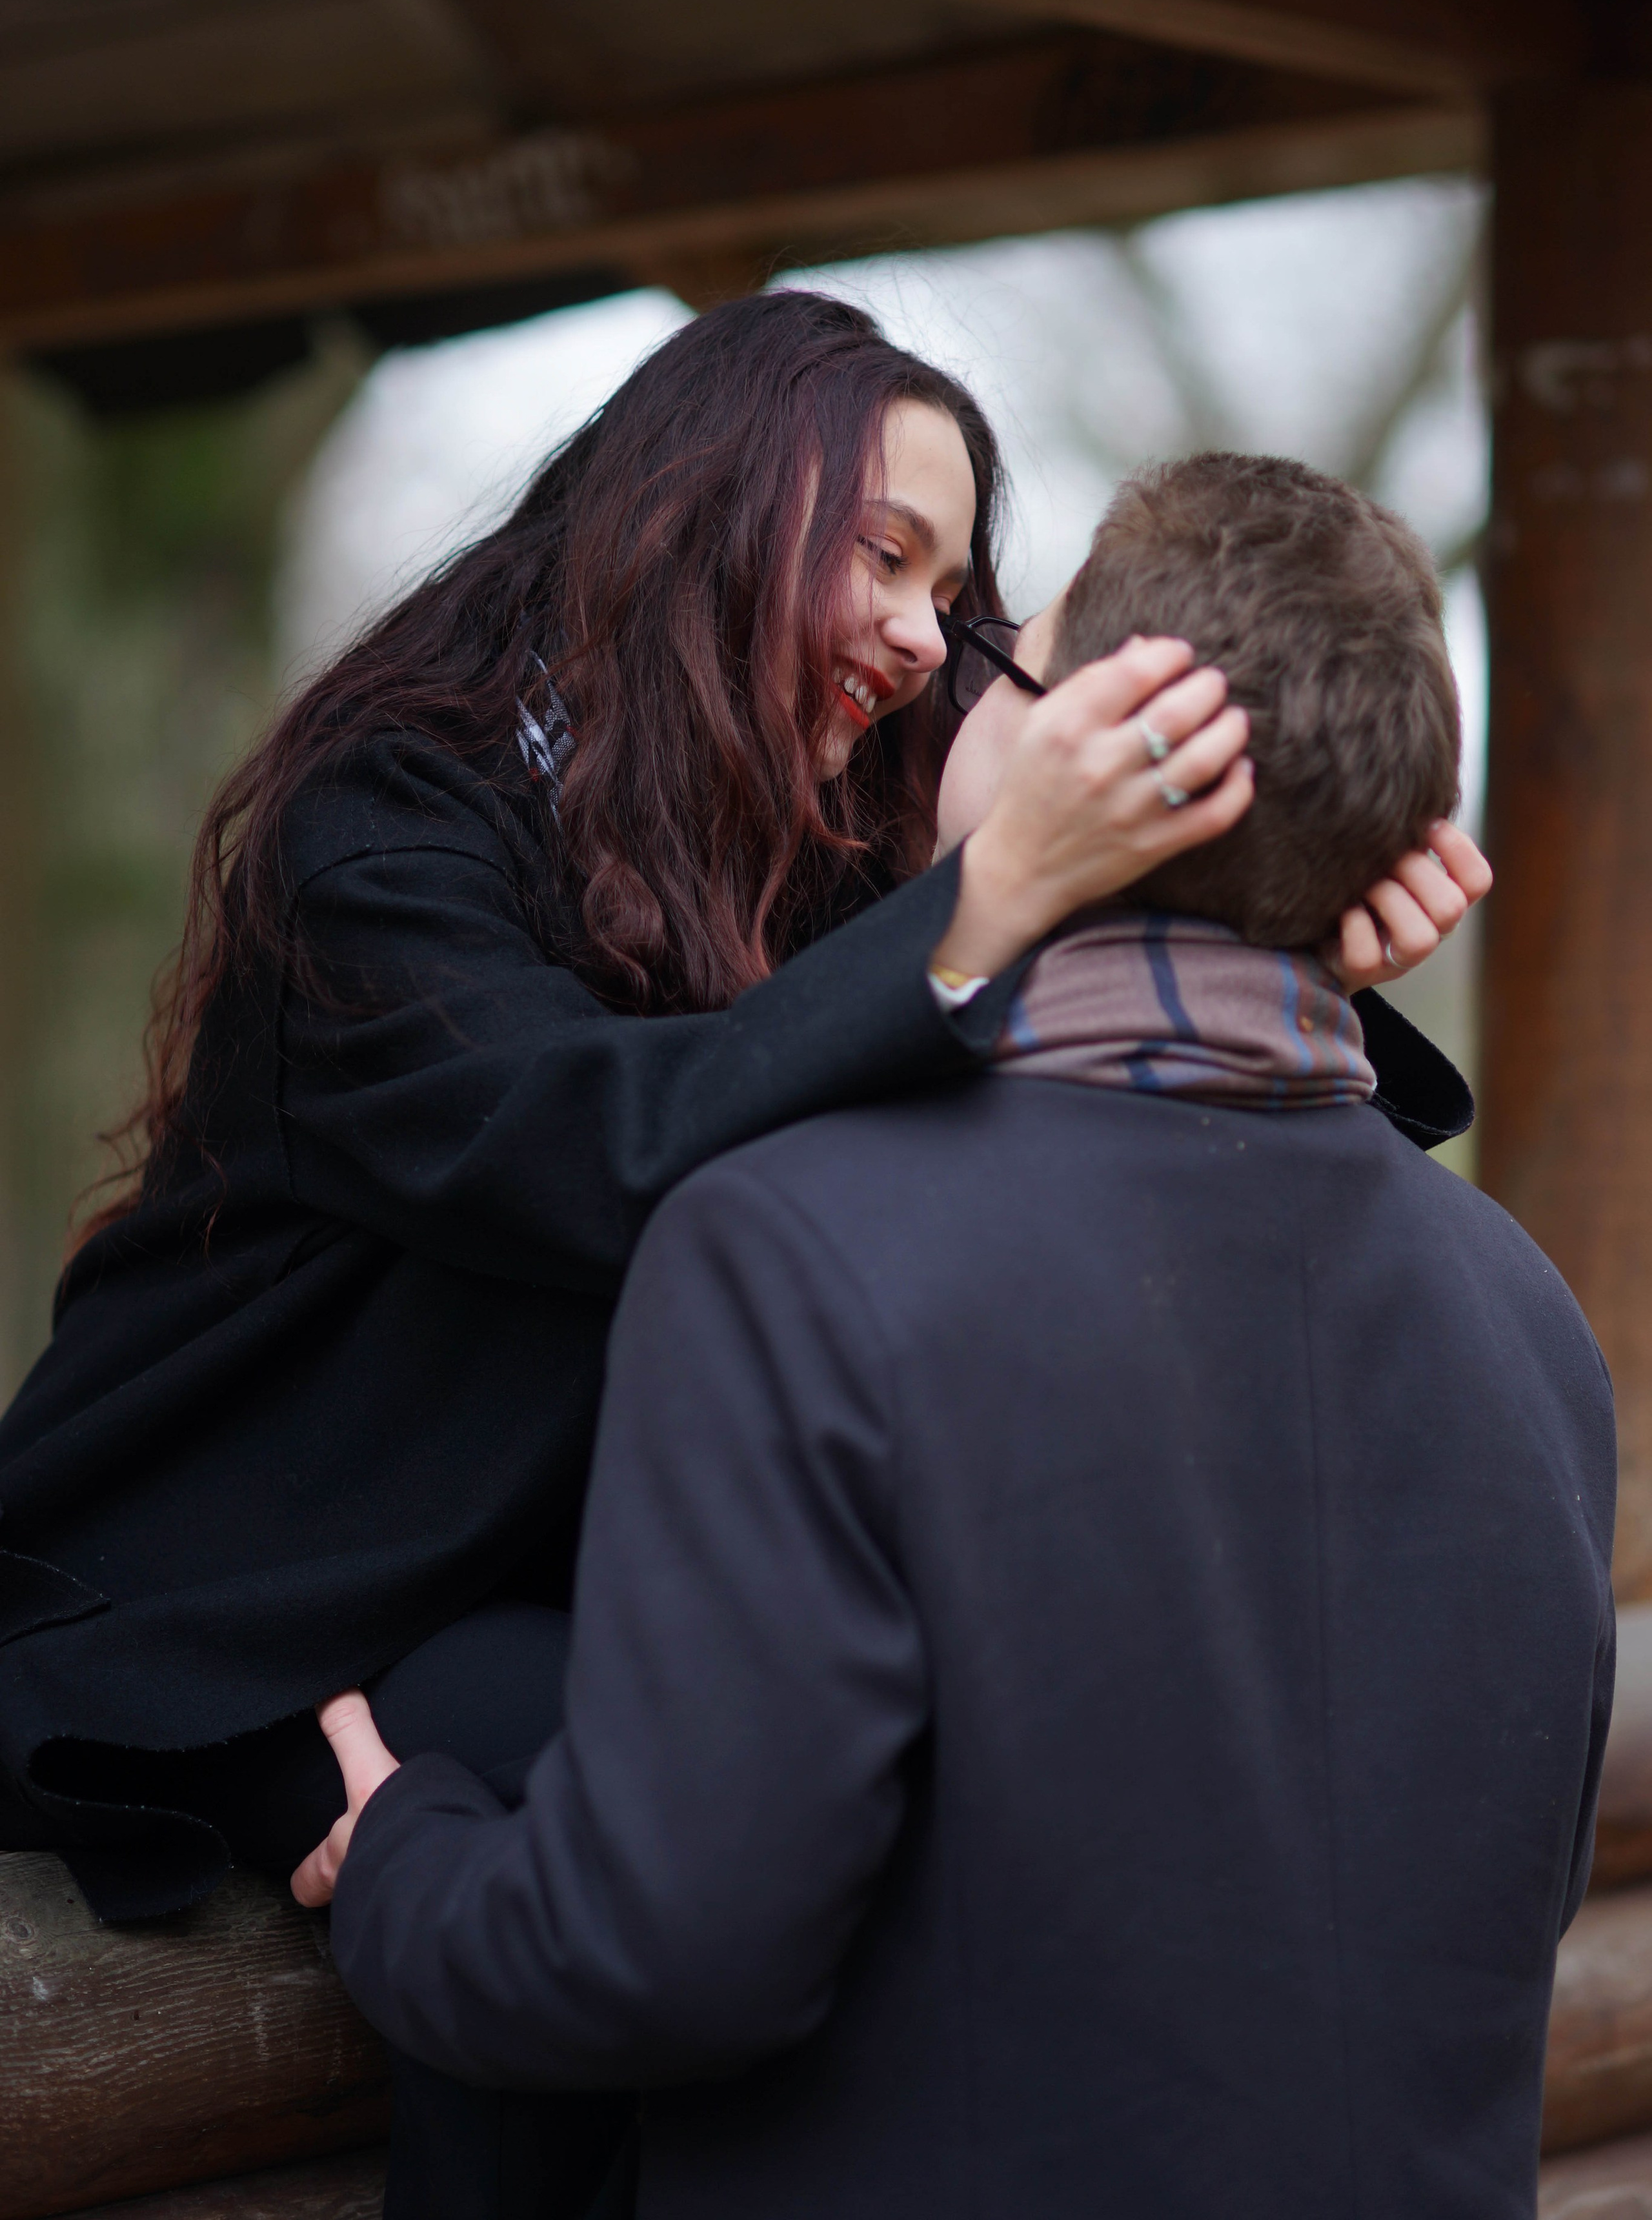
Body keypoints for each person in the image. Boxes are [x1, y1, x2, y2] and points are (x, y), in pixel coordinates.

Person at [0, 297, 1473, 2212]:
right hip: (225, 1618)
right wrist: (1000, 886)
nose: (918, 638)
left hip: (517, 1599)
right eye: (881, 557)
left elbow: (1050, 1054)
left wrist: (1300, 943)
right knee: (566, 1786)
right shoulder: (391, 825)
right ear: (707, 501)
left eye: (953, 596)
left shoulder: (817, 868)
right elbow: (604, 1152)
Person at [304, 455, 1609, 2220]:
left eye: (1009, 656)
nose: (952, 684)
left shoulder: (795, 1247)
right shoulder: (1528, 1317)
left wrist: (406, 1854)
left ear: (1103, 744)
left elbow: (665, 1960)